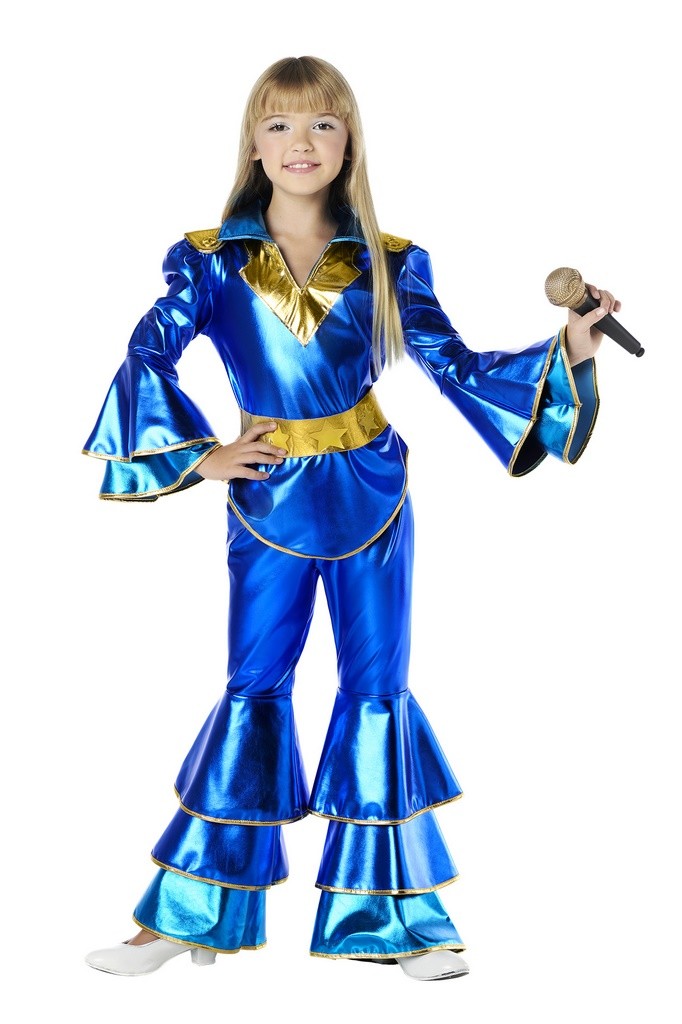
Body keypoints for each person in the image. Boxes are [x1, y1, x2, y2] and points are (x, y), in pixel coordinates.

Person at [82, 55, 618, 982]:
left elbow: (456, 366)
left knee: (377, 692)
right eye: (281, 125)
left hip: (374, 495)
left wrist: (571, 343)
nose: (302, 142)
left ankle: (396, 919)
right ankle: (193, 914)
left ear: (349, 143)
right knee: (253, 689)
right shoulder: (210, 258)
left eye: (323, 124)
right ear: (254, 144)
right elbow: (147, 353)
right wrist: (202, 454)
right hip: (267, 499)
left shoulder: (390, 260)